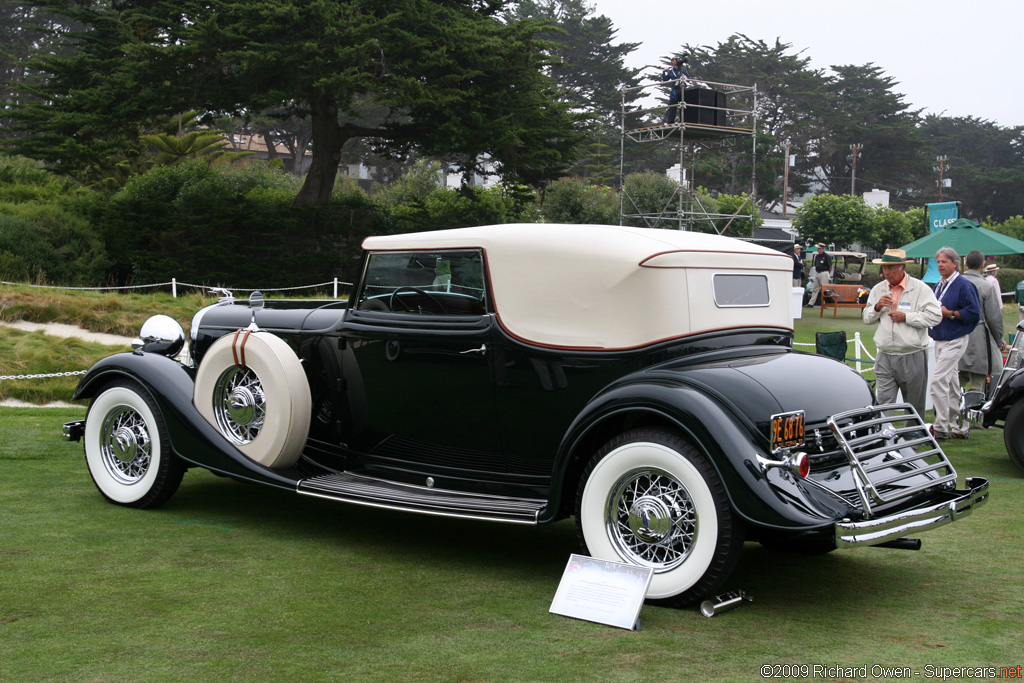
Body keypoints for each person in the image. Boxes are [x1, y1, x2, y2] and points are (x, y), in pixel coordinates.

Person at [862, 248, 942, 418]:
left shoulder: (920, 289)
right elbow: (867, 318)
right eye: (884, 268)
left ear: (902, 268)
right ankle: (883, 437)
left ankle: (913, 441)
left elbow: (935, 316)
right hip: (884, 354)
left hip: (912, 354)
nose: (887, 272)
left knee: (913, 403)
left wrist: (907, 317)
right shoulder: (878, 289)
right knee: (883, 401)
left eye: (891, 267)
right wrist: (877, 307)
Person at [928, 246, 981, 440]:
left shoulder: (964, 285)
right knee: (951, 384)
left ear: (955, 263)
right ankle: (960, 426)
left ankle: (941, 426)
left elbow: (974, 313)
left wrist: (950, 314)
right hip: (940, 339)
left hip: (955, 339)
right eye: (938, 262)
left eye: (944, 261)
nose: (940, 265)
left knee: (938, 381)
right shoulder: (939, 285)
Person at [959, 251, 1005, 398]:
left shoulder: (955, 284)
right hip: (978, 339)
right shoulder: (986, 286)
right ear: (982, 265)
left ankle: (947, 415)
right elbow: (994, 318)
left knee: (955, 382)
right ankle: (973, 420)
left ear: (966, 263)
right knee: (977, 383)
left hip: (956, 337)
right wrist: (999, 341)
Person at [661, 56, 690, 124]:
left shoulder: (683, 70)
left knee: (683, 105)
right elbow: (665, 79)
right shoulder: (671, 71)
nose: (673, 61)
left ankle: (682, 120)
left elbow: (688, 77)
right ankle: (670, 121)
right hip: (675, 89)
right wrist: (664, 72)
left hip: (682, 88)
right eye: (672, 60)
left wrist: (685, 77)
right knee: (672, 106)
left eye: (674, 60)